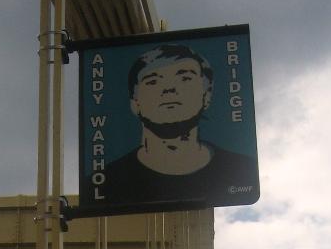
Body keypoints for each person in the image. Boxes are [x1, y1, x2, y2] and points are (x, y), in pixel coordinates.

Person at [106, 42, 258, 206]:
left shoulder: (240, 170)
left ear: (206, 96)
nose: (169, 89)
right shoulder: (107, 182)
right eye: (152, 81)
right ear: (135, 103)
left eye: (184, 78)